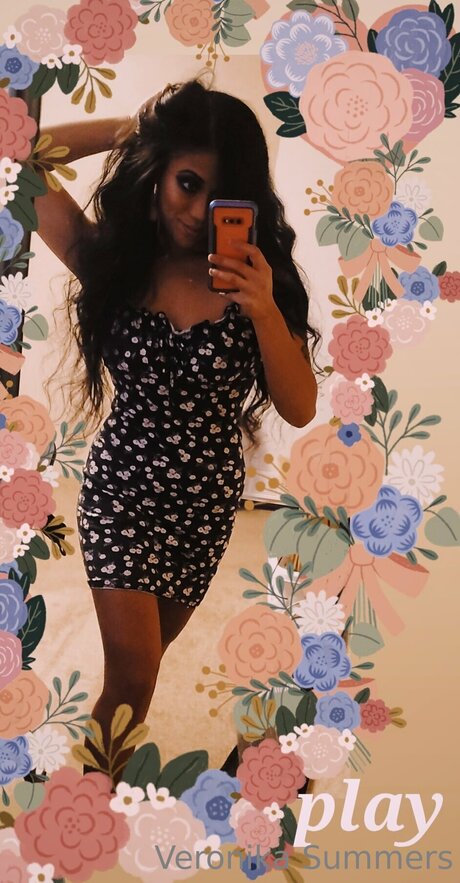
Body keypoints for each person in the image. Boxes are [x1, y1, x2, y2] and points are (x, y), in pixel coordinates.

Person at [36, 77, 319, 786]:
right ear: (159, 173)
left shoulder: (258, 281)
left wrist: (262, 309)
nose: (196, 211)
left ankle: (100, 784)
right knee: (132, 673)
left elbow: (300, 407)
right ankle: (86, 805)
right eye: (186, 183)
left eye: (219, 196)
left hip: (203, 508)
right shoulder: (115, 264)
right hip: (122, 492)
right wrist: (135, 131)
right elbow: (20, 158)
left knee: (139, 674)